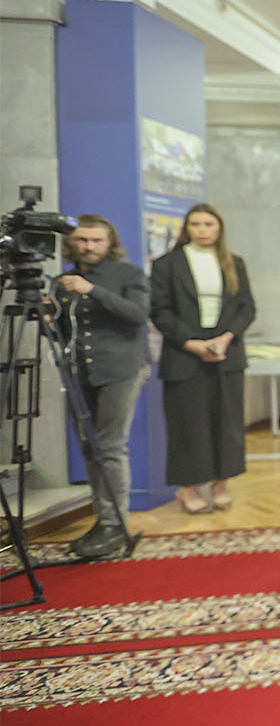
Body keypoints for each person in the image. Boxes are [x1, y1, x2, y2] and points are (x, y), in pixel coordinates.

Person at [49, 215, 149, 558]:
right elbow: (65, 329)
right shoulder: (60, 281)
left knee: (110, 446)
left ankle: (113, 523)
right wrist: (49, 315)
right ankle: (102, 520)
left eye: (96, 240)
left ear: (110, 243)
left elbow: (138, 314)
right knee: (90, 447)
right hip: (79, 372)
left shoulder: (128, 274)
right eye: (82, 240)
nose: (89, 246)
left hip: (120, 370)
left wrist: (92, 290)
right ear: (71, 243)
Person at [149, 203, 255, 515]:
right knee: (187, 423)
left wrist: (225, 338)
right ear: (186, 228)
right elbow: (160, 311)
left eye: (209, 224)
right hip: (184, 354)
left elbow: (246, 307)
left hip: (226, 353)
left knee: (227, 422)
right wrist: (192, 343)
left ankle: (221, 485)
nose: (202, 230)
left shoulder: (234, 263)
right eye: (195, 224)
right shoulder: (167, 264)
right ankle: (188, 488)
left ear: (219, 228)